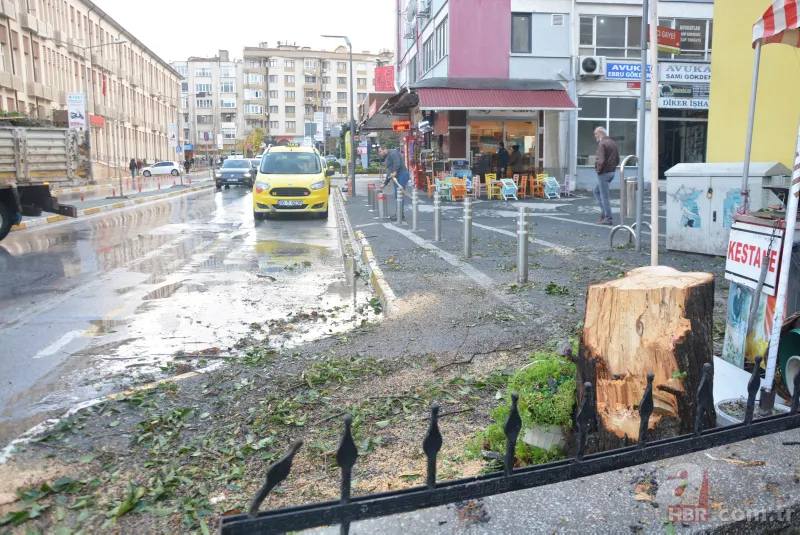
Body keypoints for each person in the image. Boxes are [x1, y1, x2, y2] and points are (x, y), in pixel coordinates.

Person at [593, 126, 620, 226]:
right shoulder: (613, 142)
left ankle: (608, 218)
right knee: (596, 191)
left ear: (600, 133)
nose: (595, 136)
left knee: (605, 197)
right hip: (611, 172)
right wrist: (612, 169)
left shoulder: (602, 143)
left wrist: (598, 170)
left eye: (596, 134)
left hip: (603, 173)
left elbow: (601, 160)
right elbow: (617, 159)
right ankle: (604, 213)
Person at [378, 145, 409, 221]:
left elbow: (397, 162)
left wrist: (395, 171)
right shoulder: (387, 157)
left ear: (385, 149)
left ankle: (399, 214)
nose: (380, 153)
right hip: (397, 177)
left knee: (399, 194)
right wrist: (385, 184)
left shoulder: (393, 152)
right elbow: (389, 172)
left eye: (380, 151)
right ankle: (400, 213)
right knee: (397, 194)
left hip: (401, 174)